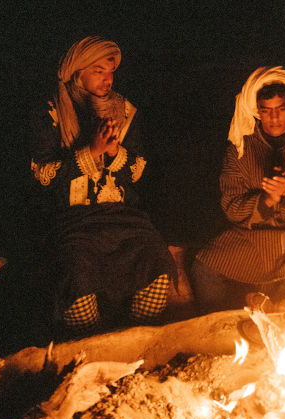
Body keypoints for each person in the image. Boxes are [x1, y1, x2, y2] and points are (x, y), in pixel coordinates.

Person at [29, 36, 175, 334]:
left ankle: (138, 339)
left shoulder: (126, 112)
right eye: (98, 71)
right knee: (77, 273)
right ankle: (91, 342)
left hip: (123, 218)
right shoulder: (50, 113)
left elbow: (137, 171)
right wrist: (91, 151)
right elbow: (43, 175)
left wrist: (114, 153)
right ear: (76, 73)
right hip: (73, 221)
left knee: (156, 260)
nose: (108, 80)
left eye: (111, 72)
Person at [191, 66, 285, 313]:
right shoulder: (240, 147)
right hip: (252, 240)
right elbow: (230, 206)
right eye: (266, 111)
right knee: (203, 268)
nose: (274, 118)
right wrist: (265, 201)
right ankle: (227, 326)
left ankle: (281, 321)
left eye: (280, 109)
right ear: (257, 111)